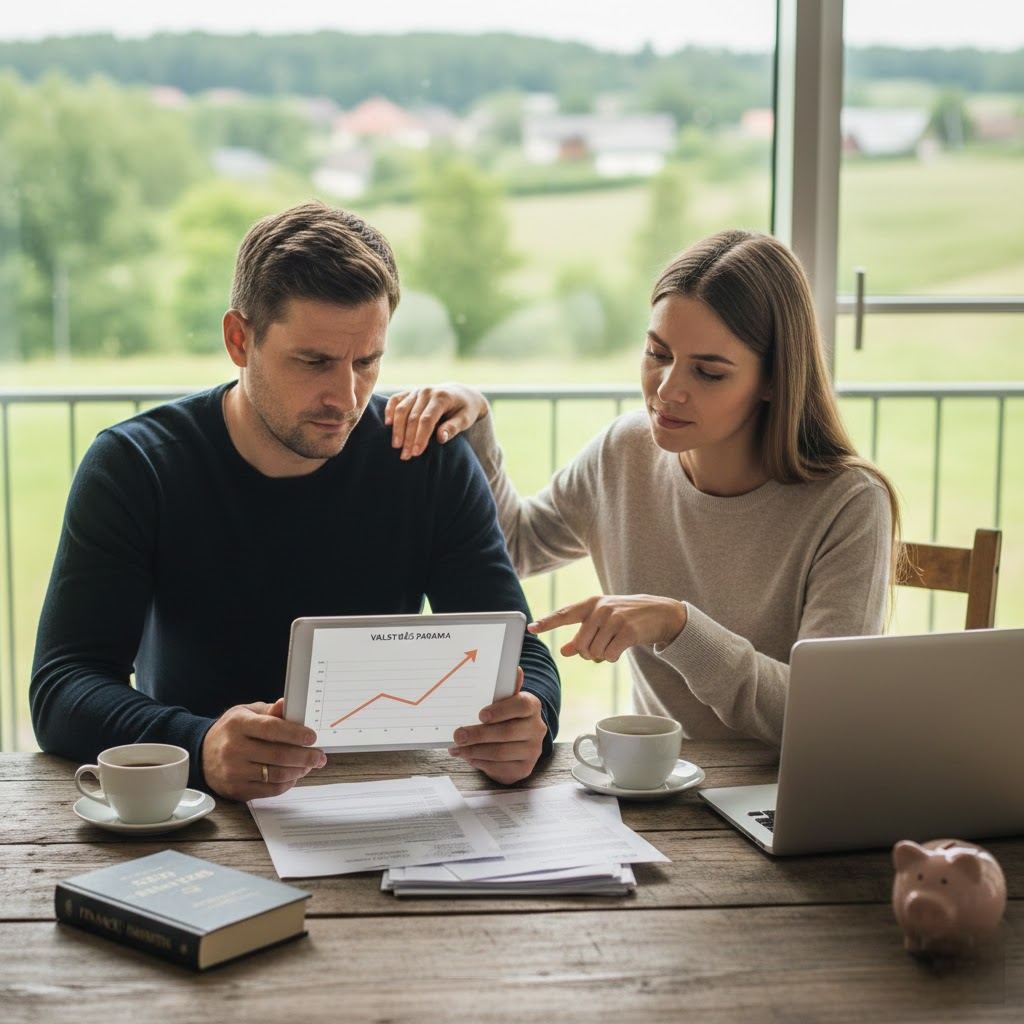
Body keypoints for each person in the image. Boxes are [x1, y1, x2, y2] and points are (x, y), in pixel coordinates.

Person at [30, 201, 559, 800]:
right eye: (314, 362)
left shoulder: (425, 457)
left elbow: (521, 651)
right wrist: (199, 745)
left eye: (368, 361)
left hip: (390, 802)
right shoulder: (138, 465)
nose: (347, 396)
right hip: (201, 814)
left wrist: (530, 722)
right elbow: (62, 686)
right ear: (239, 339)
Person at [385, 229, 901, 747]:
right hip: (659, 789)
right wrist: (474, 419)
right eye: (658, 353)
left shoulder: (850, 504)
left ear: (773, 380)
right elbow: (514, 546)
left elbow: (825, 717)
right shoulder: (624, 451)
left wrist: (678, 627)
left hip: (782, 799)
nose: (668, 389)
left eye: (708, 372)